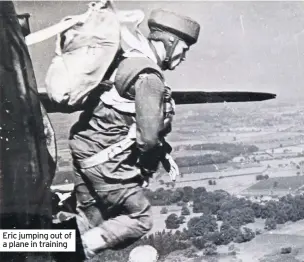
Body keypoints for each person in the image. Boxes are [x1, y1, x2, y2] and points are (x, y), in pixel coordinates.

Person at [65, 8, 200, 259]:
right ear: (170, 42)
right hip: (105, 164)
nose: (184, 56)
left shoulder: (125, 60)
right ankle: (70, 253)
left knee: (91, 218)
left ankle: (33, 246)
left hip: (84, 154)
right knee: (140, 219)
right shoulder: (149, 76)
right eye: (184, 47)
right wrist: (146, 170)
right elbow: (148, 138)